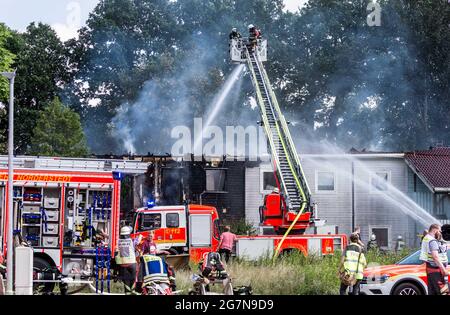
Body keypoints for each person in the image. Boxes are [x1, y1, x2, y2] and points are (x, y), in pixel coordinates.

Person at [420, 224, 449, 295]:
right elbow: (435, 257)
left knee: (433, 291)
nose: (440, 233)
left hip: (430, 268)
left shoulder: (427, 238)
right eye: (439, 231)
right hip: (436, 269)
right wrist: (443, 269)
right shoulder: (432, 241)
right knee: (443, 291)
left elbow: (442, 248)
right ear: (435, 230)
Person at [115, 226, 137, 295]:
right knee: (133, 278)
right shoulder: (132, 241)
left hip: (121, 264)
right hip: (132, 263)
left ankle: (127, 292)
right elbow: (138, 241)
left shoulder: (117, 241)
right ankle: (133, 291)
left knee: (126, 280)